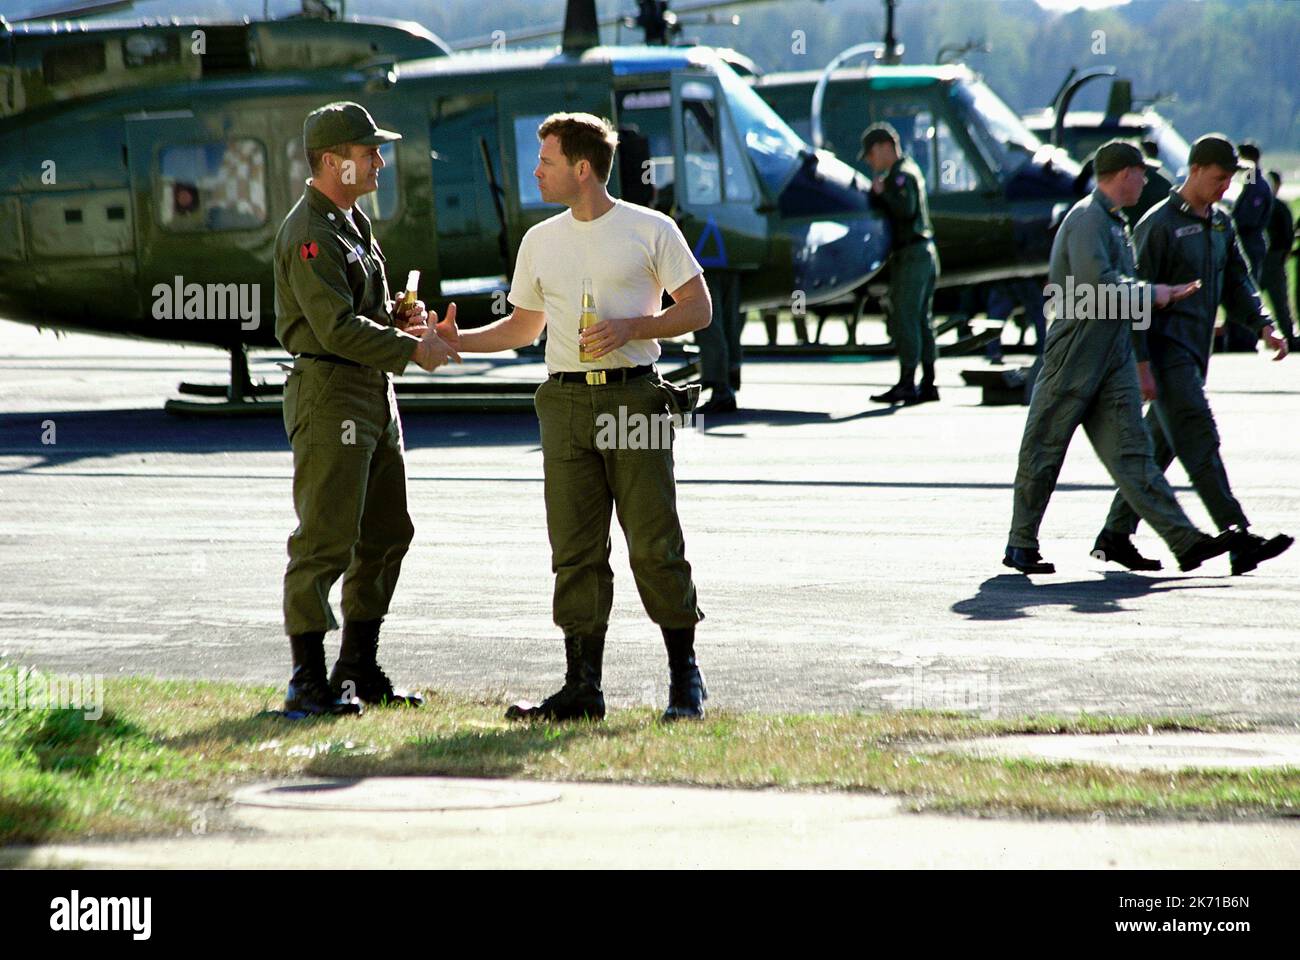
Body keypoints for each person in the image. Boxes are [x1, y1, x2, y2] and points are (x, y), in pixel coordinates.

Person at [455, 112, 713, 723]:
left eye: (545, 160)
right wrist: (455, 341)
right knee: (574, 551)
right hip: (565, 402)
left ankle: (685, 678)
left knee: (653, 543)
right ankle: (582, 688)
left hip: (635, 400)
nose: (536, 171)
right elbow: (523, 327)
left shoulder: (651, 229)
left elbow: (699, 308)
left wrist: (633, 327)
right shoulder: (539, 240)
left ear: (582, 168)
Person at [273, 101, 459, 716]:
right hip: (331, 392)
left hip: (372, 390)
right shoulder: (310, 234)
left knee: (385, 532)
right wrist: (416, 348)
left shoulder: (352, 223)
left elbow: (361, 317)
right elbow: (333, 328)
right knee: (325, 538)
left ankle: (356, 668)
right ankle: (307, 680)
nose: (379, 159)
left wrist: (400, 320)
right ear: (333, 161)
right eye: (367, 151)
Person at [1004, 140, 1236, 575]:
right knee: (1045, 445)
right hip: (1075, 349)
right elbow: (1099, 288)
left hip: (1112, 350)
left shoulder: (1113, 223)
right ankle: (1020, 543)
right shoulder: (1087, 220)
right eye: (1140, 172)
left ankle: (1185, 542)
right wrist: (1157, 294)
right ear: (1122, 174)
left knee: (1134, 453)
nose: (1145, 180)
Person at [1095, 135, 1292, 575]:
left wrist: (1263, 324)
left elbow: (1238, 280)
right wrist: (1141, 364)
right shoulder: (1157, 226)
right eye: (1220, 178)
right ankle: (1239, 536)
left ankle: (1113, 535)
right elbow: (1134, 301)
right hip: (1166, 358)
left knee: (1157, 449)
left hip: (1195, 356)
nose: (1226, 187)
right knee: (1201, 441)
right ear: (1196, 169)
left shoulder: (1220, 223)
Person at [860, 123, 941, 405]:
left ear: (884, 147)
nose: (871, 161)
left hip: (912, 256)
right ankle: (928, 383)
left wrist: (882, 193)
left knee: (906, 317)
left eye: (871, 154)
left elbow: (905, 210)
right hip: (925, 252)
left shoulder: (900, 176)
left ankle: (908, 383)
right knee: (922, 320)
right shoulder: (911, 169)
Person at [1225, 141, 1271, 352]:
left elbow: (1248, 219)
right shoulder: (1249, 182)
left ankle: (1244, 339)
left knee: (1245, 288)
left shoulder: (1257, 186)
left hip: (1250, 242)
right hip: (1243, 241)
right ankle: (1236, 338)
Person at [1261, 170, 1295, 343]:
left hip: (1274, 259)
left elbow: (1287, 235)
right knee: (1249, 301)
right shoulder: (1263, 204)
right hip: (1260, 259)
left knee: (1280, 303)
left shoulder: (1278, 207)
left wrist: (1282, 256)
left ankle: (1288, 336)